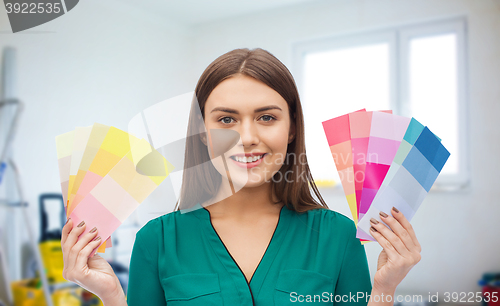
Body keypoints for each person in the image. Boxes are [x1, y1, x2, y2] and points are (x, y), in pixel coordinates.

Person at [61, 48, 422, 306]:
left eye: (266, 117)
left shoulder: (338, 237)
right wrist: (110, 295)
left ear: (293, 127)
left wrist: (384, 291)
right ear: (203, 133)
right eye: (226, 120)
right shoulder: (156, 241)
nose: (246, 137)